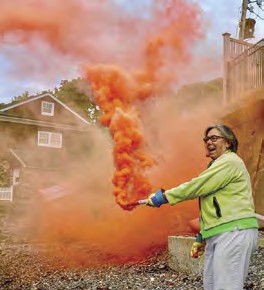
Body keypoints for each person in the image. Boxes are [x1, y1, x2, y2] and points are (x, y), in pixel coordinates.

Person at [146, 124, 259, 290]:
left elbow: (197, 185)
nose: (208, 142)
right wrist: (202, 235)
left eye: (214, 138)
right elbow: (217, 206)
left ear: (228, 143)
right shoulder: (218, 165)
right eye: (206, 139)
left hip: (234, 232)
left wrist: (164, 197)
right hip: (221, 233)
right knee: (212, 286)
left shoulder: (229, 161)